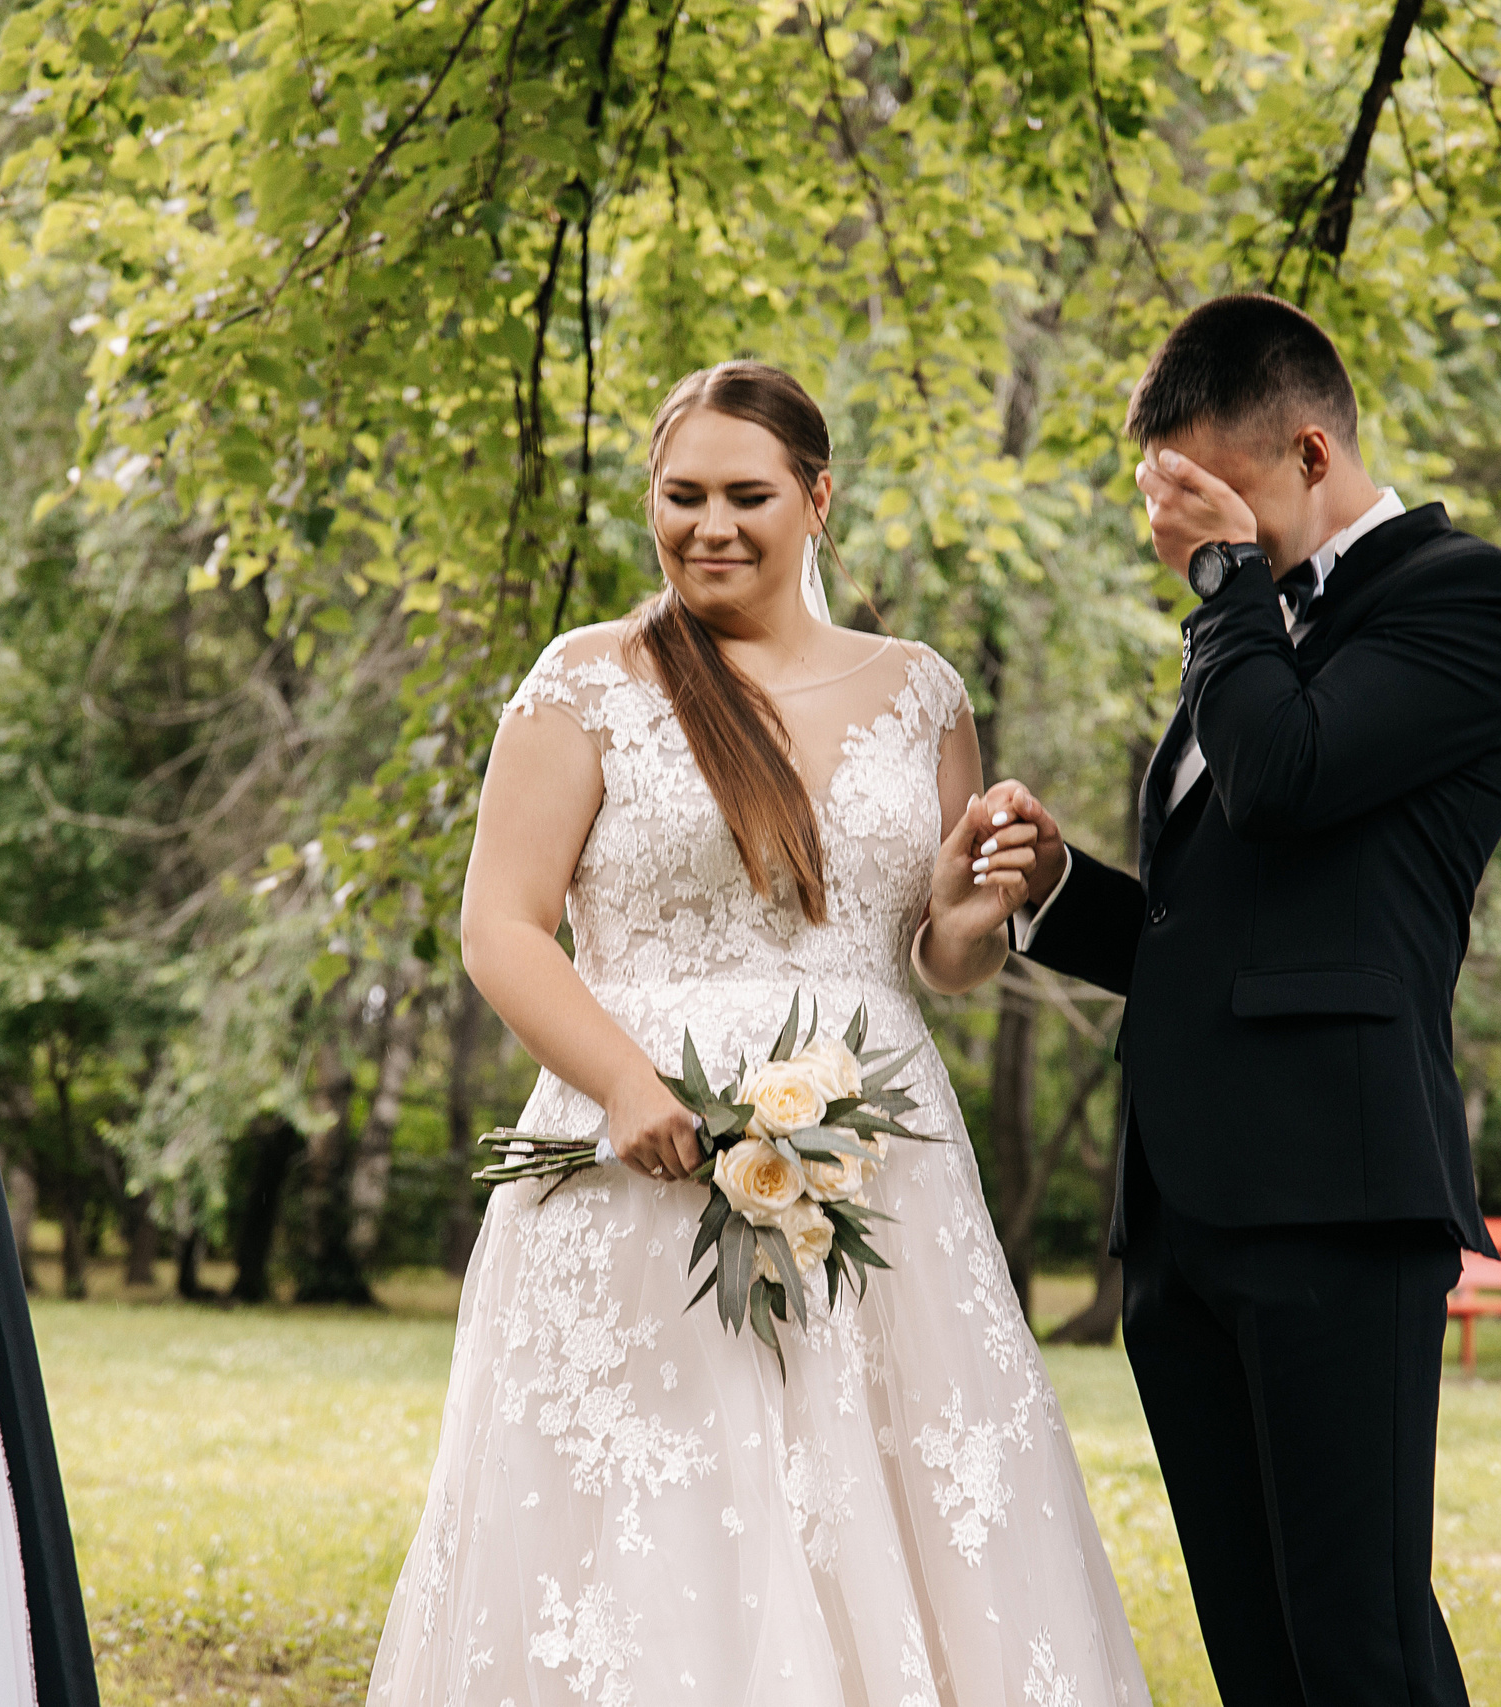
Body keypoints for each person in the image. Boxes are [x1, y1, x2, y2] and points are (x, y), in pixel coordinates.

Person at [367, 361, 1149, 1706]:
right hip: (637, 1170)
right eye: (682, 497)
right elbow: (501, 928)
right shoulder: (586, 684)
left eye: (747, 496)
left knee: (885, 1491)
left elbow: (939, 961)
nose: (710, 527)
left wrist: (974, 903)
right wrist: (621, 1084)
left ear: (818, 500)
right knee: (657, 1512)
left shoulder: (921, 692)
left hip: (874, 1164)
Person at [944, 294, 1501, 1705]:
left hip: (1338, 1198)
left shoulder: (1465, 596)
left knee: (1359, 1640)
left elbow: (1286, 778)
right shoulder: (1253, 631)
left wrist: (1225, 592)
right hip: (1185, 1213)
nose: (1182, 540)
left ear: (1311, 453)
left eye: (1208, 500)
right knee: (1257, 1649)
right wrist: (1055, 886)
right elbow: (1220, 924)